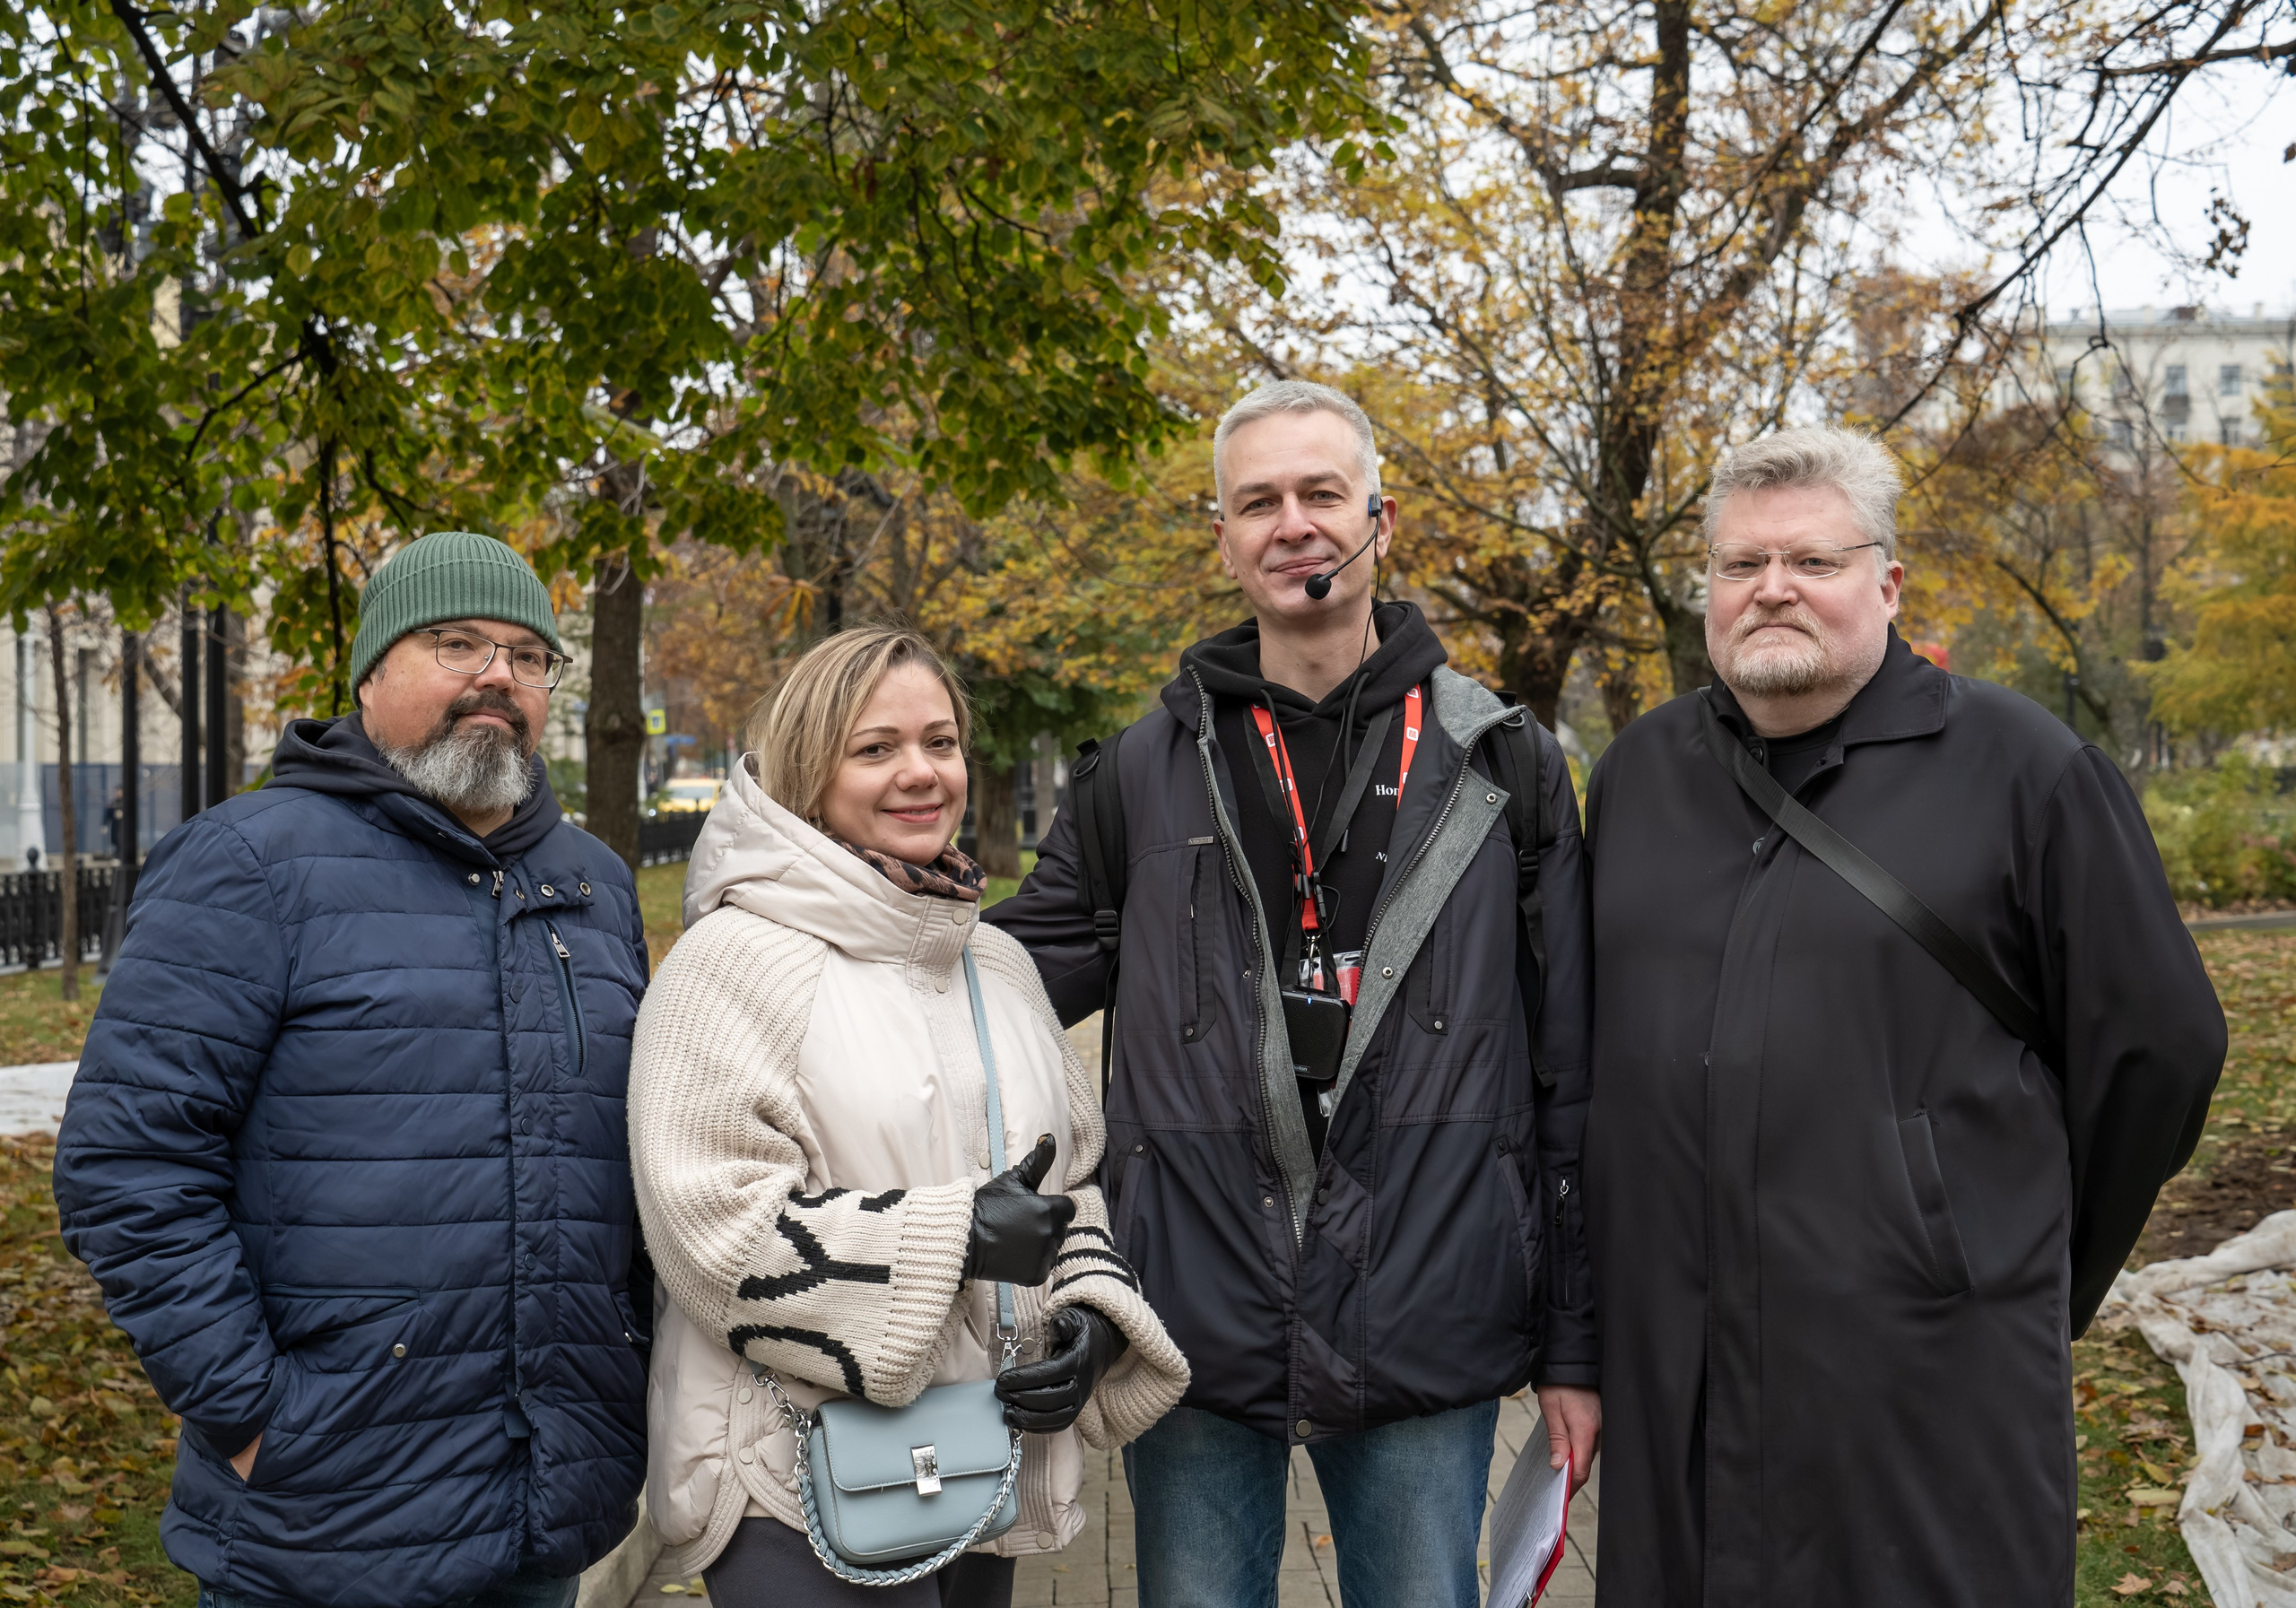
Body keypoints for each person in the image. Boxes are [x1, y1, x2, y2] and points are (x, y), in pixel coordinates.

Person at [1581, 425, 2226, 1606]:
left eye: (1813, 562)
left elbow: (2163, 1048)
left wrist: (2006, 1247)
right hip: (1678, 1369)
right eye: (1741, 565)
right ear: (1709, 590)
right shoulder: (1639, 776)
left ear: (1885, 583)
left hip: (1924, 1372)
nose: (1773, 588)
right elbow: (1587, 1063)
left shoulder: (2024, 771)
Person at [987, 380, 1599, 1607]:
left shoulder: (1503, 762)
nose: (1293, 524)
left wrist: (1575, 1341)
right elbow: (996, 982)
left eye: (1321, 492)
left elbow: (1573, 1072)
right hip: (1192, 1319)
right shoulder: (1139, 774)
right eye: (1257, 501)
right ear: (1221, 537)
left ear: (1381, 516)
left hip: (1433, 1307)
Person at [55, 532, 652, 1608]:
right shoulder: (248, 863)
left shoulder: (594, 885)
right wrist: (248, 1413)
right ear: (372, 670)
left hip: (543, 1501)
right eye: (456, 642)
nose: (496, 677)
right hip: (323, 1515)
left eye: (526, 655)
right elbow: (128, 1164)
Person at [629, 625, 1189, 1608]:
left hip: (973, 1458)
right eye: (875, 747)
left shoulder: (998, 965)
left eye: (940, 741)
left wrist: (1091, 1318)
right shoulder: (731, 962)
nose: (920, 773)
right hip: (789, 1482)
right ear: (811, 769)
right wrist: (955, 1234)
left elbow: (1073, 1183)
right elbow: (707, 1230)